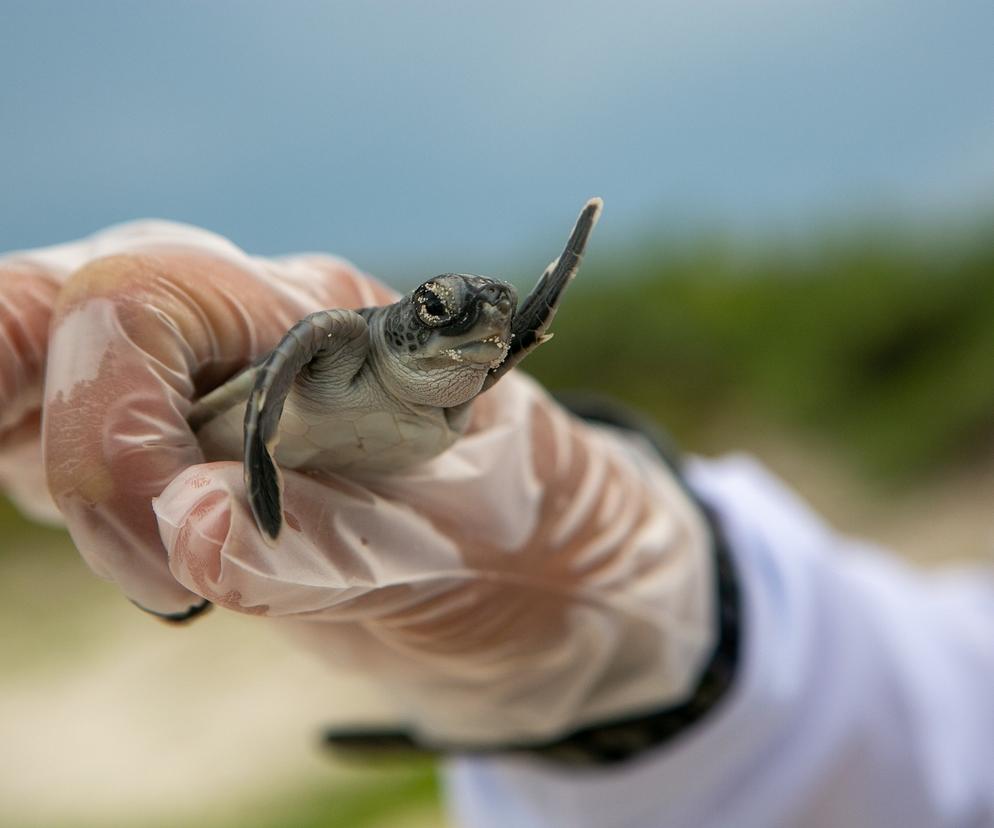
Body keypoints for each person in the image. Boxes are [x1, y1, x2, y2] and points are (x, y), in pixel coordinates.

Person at [2, 220, 993, 828]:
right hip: (255, 429)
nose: (470, 326)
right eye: (437, 309)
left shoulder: (472, 386)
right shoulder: (344, 336)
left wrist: (640, 597)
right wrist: (712, 617)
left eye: (494, 324)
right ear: (401, 316)